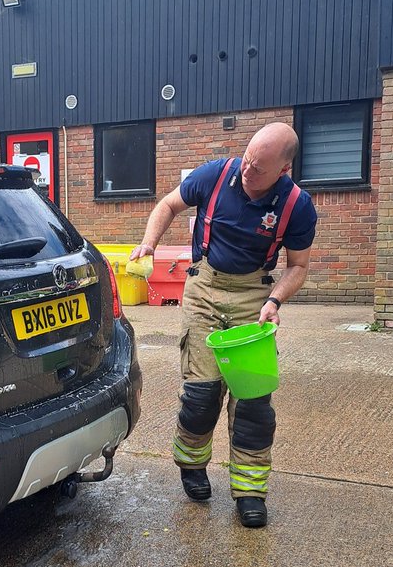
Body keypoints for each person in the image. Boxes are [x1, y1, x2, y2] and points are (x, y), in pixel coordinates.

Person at [129, 122, 317, 528]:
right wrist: (150, 242)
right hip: (205, 288)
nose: (247, 172)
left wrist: (274, 301)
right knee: (201, 394)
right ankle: (192, 464)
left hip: (255, 294)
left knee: (252, 402)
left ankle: (250, 491)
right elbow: (167, 205)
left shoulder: (297, 206)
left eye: (259, 169)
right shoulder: (216, 174)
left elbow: (298, 267)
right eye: (247, 160)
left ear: (284, 171)